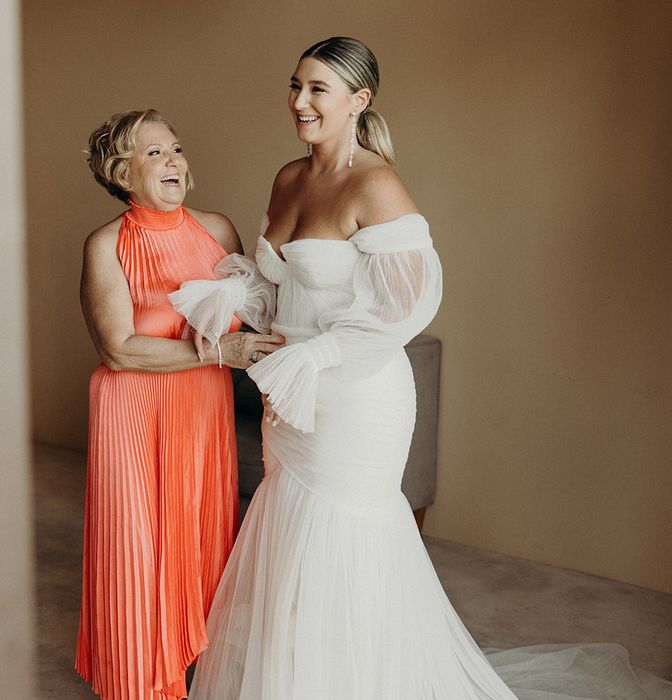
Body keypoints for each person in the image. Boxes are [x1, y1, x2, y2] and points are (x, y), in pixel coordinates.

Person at [171, 39, 672, 700]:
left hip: (355, 395)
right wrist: (241, 302)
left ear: (360, 99)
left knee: (343, 537)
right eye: (295, 85)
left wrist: (316, 355)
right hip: (288, 400)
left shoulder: (376, 183)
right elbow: (284, 286)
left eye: (318, 89)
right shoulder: (288, 177)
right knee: (290, 533)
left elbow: (409, 303)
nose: (299, 102)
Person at [75, 108, 284, 700]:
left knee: (197, 539)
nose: (173, 161)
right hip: (132, 413)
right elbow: (119, 349)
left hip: (199, 413)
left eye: (176, 149)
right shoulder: (106, 244)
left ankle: (200, 671)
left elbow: (254, 311)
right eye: (154, 153)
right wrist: (221, 350)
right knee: (137, 547)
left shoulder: (217, 231)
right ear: (122, 172)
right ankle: (140, 681)